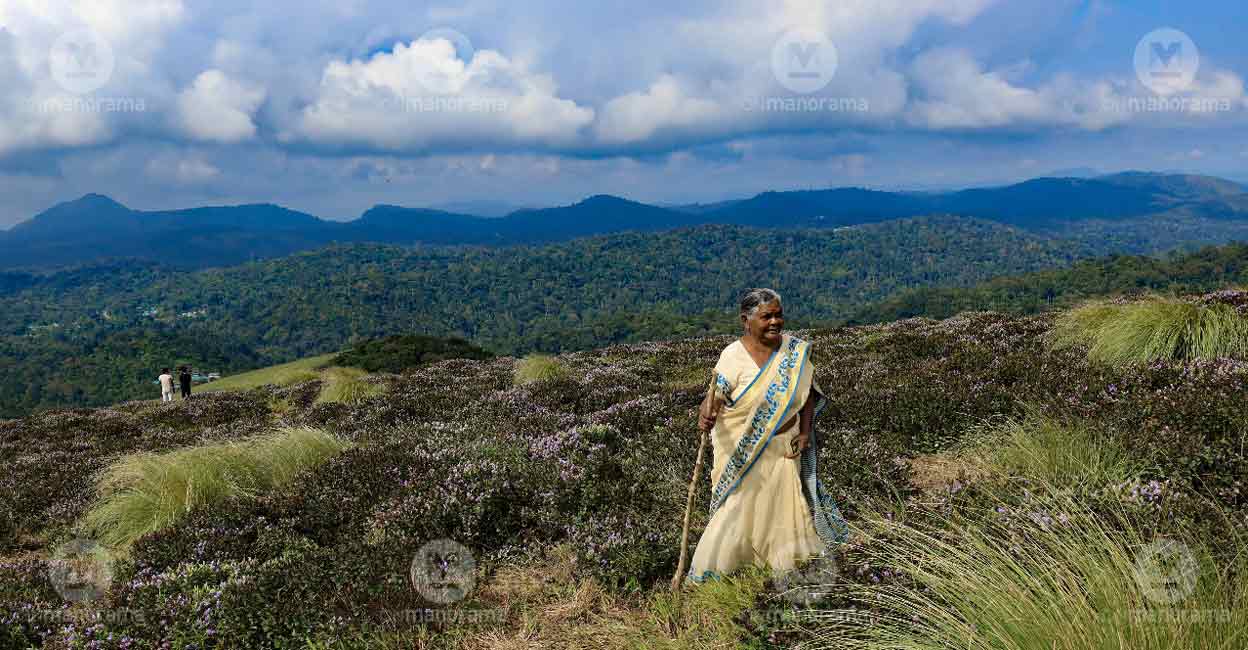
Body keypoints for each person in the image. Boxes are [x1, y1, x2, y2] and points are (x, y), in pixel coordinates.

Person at [685, 288, 849, 585]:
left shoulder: (794, 352)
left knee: (786, 508)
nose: (775, 322)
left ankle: (788, 567)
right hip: (742, 454)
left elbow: (808, 393)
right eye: (766, 316)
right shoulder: (732, 357)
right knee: (735, 511)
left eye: (778, 314)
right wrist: (706, 412)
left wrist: (805, 430)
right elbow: (715, 396)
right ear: (746, 320)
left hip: (783, 448)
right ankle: (718, 574)